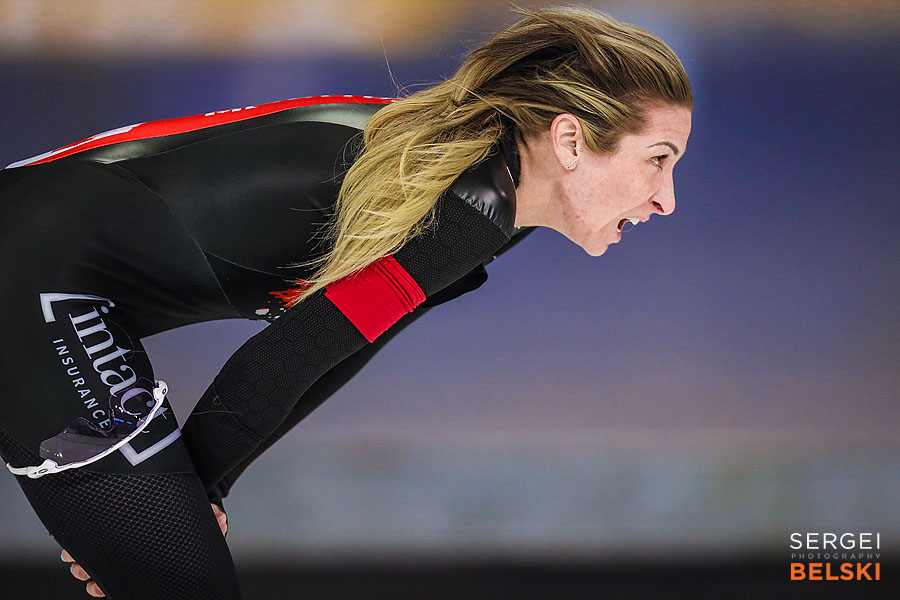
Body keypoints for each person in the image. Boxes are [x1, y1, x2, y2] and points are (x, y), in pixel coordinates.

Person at [0, 7, 692, 599]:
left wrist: (191, 494)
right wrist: (181, 500)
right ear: (570, 140)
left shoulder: (479, 191)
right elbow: (289, 356)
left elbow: (339, 348)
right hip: (28, 270)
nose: (665, 199)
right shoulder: (464, 202)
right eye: (658, 159)